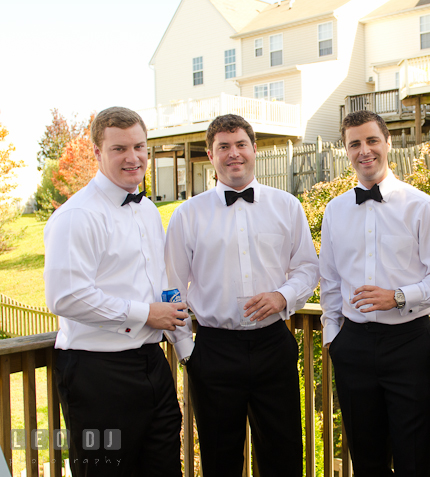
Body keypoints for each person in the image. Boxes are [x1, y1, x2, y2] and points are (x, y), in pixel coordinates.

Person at [165, 114, 319, 476]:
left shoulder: (287, 206)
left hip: (273, 346)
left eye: (240, 145)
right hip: (214, 351)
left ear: (253, 149)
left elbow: (307, 269)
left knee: (283, 453)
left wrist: (283, 296)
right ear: (210, 154)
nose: (233, 154)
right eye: (223, 147)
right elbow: (170, 288)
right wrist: (188, 351)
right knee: (221, 458)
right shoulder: (188, 215)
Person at [45, 107, 188, 476]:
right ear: (96, 152)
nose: (133, 157)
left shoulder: (148, 212)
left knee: (164, 466)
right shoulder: (77, 216)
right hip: (97, 374)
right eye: (119, 148)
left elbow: (158, 283)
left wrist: (184, 345)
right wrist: (145, 313)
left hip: (152, 364)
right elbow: (66, 296)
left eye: (139, 146)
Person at [319, 110, 430, 476]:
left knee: (414, 457)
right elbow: (331, 280)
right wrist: (334, 337)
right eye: (355, 144)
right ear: (345, 151)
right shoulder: (335, 211)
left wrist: (399, 296)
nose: (364, 151)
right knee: (366, 459)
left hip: (408, 345)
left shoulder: (422, 206)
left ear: (388, 143)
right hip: (353, 346)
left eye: (371, 141)